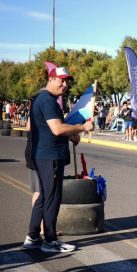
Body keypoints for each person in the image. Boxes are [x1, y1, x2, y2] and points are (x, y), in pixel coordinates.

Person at [22, 66, 93, 253]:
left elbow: (48, 128)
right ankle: (50, 240)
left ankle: (33, 236)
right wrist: (82, 127)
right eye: (61, 80)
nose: (65, 84)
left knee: (44, 195)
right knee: (52, 197)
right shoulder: (48, 101)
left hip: (43, 155)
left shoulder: (41, 98)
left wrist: (72, 134)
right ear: (51, 78)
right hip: (50, 156)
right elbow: (57, 129)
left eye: (67, 80)